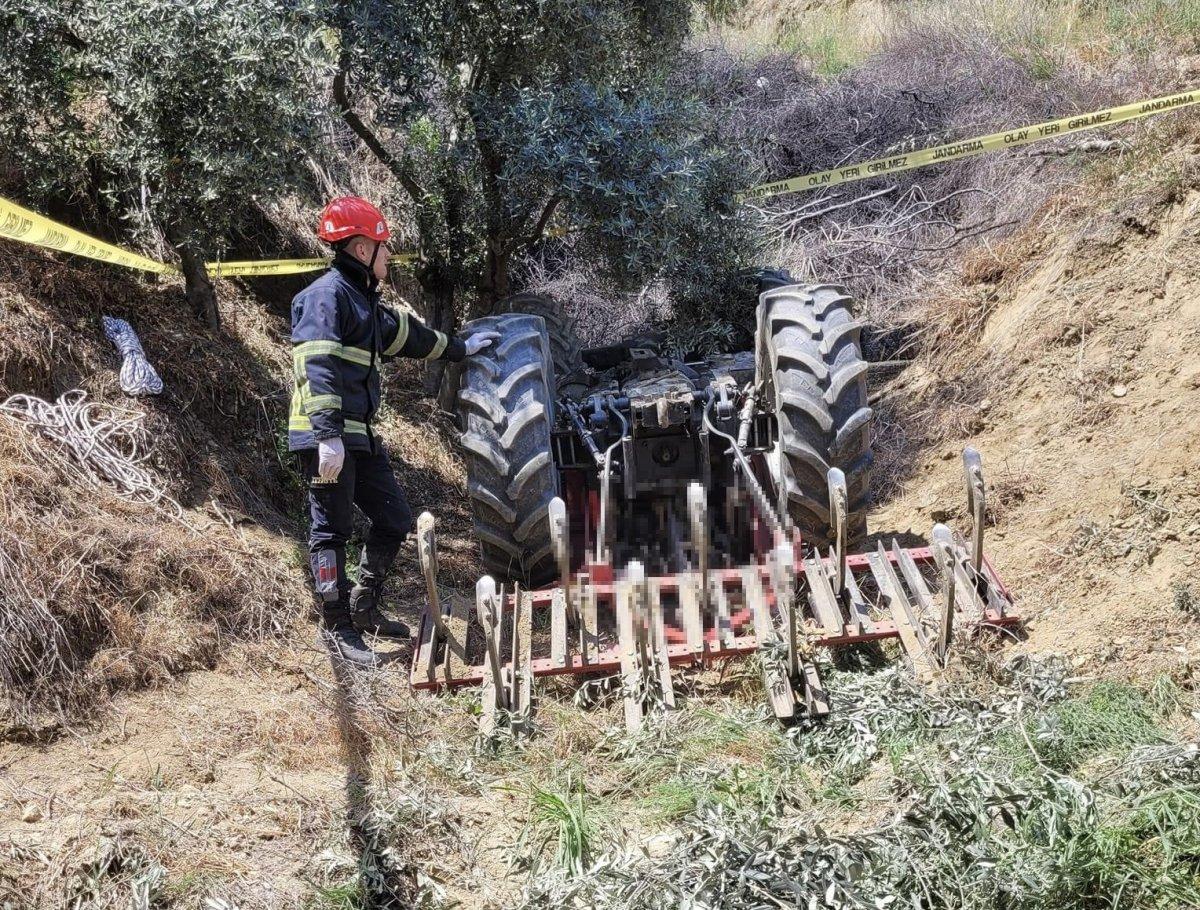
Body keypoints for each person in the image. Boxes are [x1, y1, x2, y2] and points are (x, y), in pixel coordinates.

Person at [289, 196, 498, 667]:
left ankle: (363, 606)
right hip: (327, 439)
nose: (390, 256)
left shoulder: (363, 302)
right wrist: (325, 436)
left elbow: (411, 336)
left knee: (394, 519)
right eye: (385, 248)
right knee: (330, 531)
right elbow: (314, 365)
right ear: (361, 250)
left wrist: (462, 349)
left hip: (357, 436)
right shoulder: (325, 298)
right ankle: (338, 627)